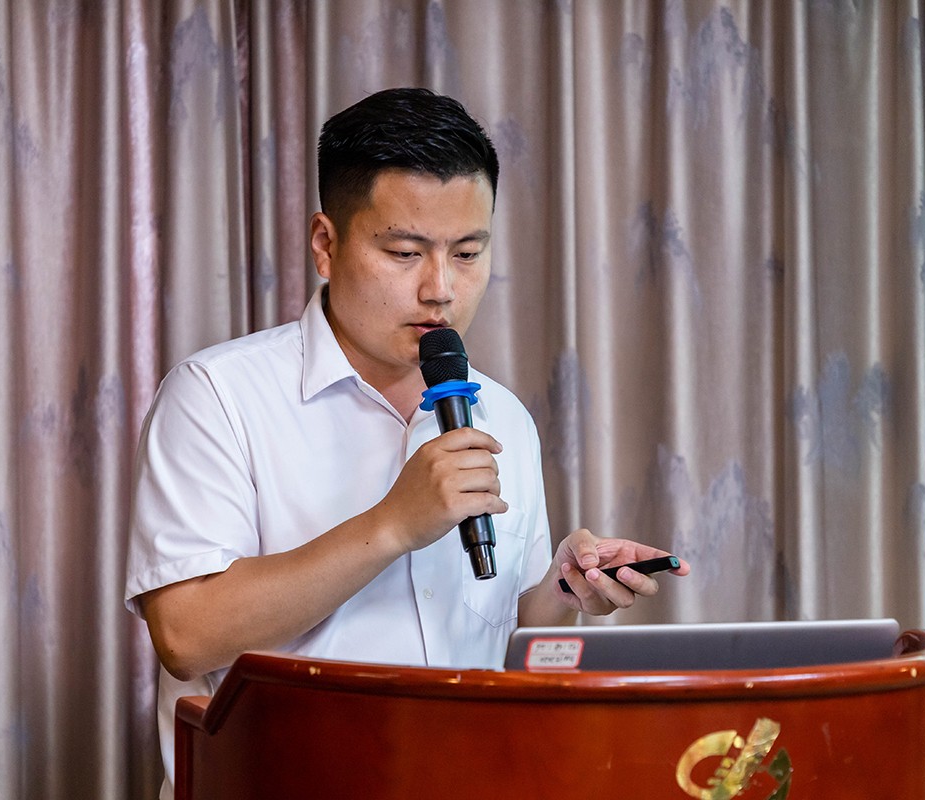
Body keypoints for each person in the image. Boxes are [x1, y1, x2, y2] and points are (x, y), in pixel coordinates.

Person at [124, 87, 689, 796]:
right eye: (404, 252)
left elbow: (502, 637)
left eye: (468, 252)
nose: (440, 288)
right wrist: (395, 524)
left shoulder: (502, 415)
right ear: (326, 244)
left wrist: (563, 589)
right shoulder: (217, 395)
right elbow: (185, 634)